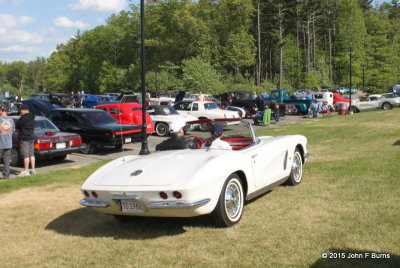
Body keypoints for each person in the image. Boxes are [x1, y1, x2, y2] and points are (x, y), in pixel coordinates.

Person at [16, 104, 36, 176]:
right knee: (32, 154)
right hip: (31, 137)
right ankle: (33, 169)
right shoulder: (32, 117)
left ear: (24, 110)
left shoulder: (23, 118)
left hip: (25, 138)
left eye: (21, 111)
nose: (20, 113)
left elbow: (17, 125)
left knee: (26, 155)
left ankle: (26, 170)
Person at [0, 106, 14, 179]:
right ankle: (6, 176)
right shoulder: (11, 119)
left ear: (1, 111)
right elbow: (13, 130)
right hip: (8, 143)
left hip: (1, 143)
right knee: (7, 161)